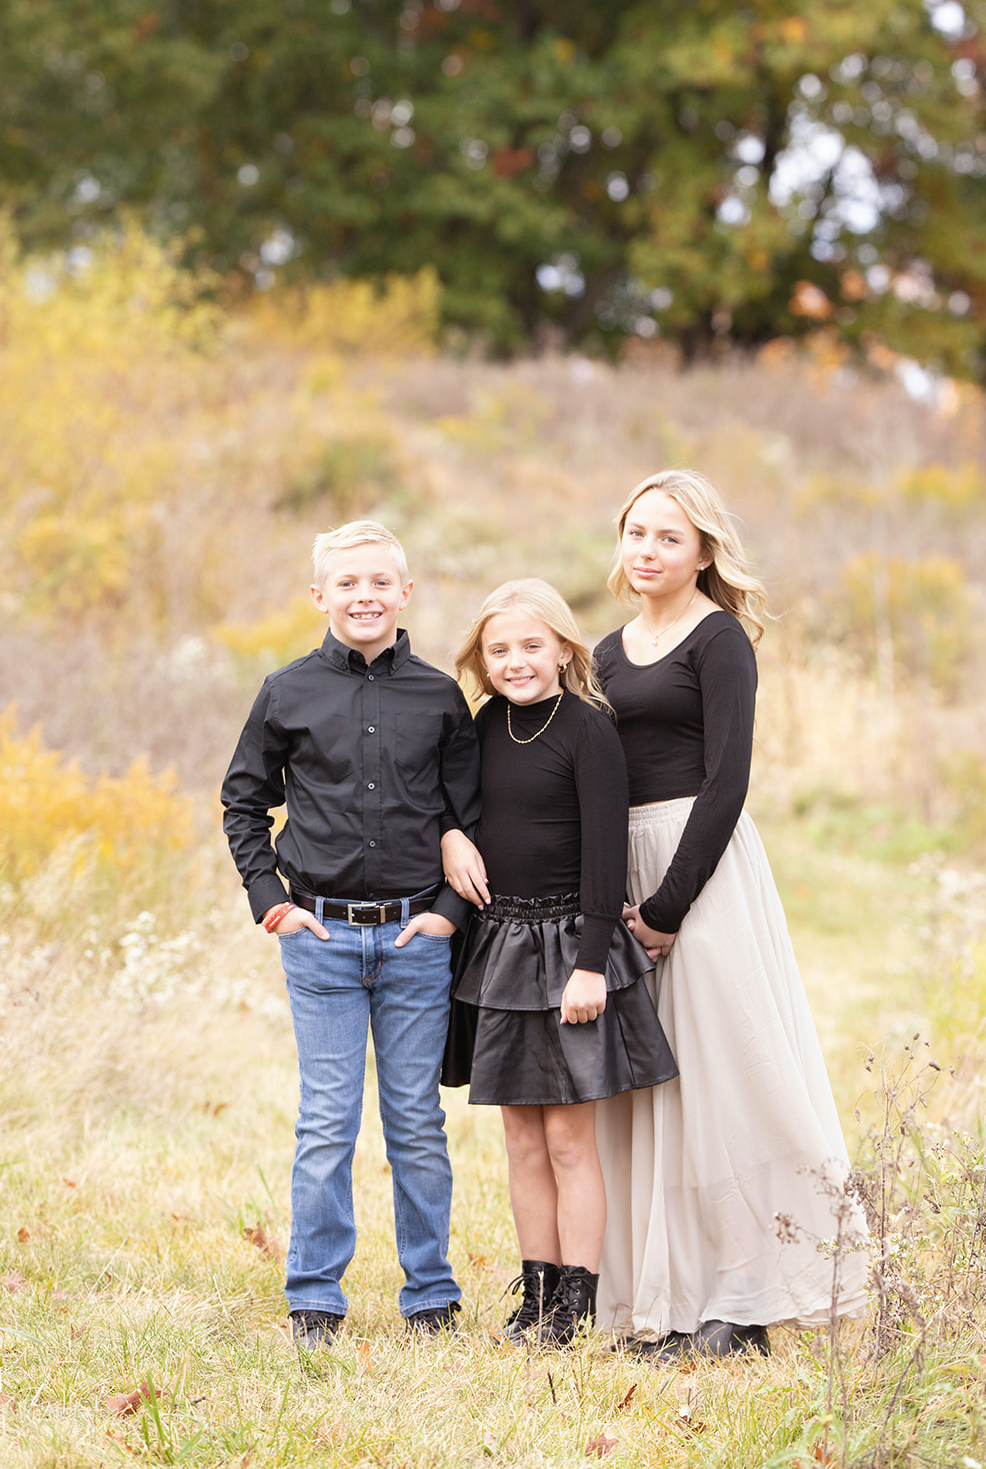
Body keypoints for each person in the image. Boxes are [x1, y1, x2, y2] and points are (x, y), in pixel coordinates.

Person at [593, 470, 869, 1361]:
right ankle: (665, 1297)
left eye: (668, 538)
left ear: (704, 551)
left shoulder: (718, 642)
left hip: (697, 866)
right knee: (649, 1091)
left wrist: (670, 906)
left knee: (727, 1077)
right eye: (637, 533)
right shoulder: (602, 650)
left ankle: (745, 1300)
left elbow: (727, 780)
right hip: (619, 868)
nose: (647, 551)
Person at [221, 519, 483, 1350]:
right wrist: (274, 902)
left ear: (404, 593)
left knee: (414, 1122)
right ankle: (314, 1299)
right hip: (322, 940)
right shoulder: (286, 691)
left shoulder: (440, 695)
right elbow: (241, 803)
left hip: (415, 938)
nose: (363, 596)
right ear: (319, 596)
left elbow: (466, 816)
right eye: (347, 584)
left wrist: (448, 910)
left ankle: (431, 1295)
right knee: (327, 1121)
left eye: (379, 583)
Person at [439, 579, 677, 1345]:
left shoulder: (587, 730)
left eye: (530, 646)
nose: (515, 662)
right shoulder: (481, 727)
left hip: (572, 947)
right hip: (502, 947)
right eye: (498, 650)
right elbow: (455, 807)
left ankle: (576, 1305)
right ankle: (535, 1294)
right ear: (481, 660)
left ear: (565, 650)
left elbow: (606, 857)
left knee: (571, 1139)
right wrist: (449, 835)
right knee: (519, 1137)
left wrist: (588, 965)